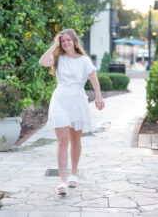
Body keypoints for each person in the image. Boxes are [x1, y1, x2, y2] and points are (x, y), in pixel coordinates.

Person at [39, 28, 105, 196]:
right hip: (60, 99)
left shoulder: (84, 60)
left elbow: (93, 77)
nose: (65, 43)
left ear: (75, 41)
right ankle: (62, 180)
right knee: (62, 140)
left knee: (75, 139)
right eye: (63, 41)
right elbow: (42, 62)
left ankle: (73, 174)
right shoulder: (58, 58)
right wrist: (54, 44)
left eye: (68, 40)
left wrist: (98, 96)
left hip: (78, 100)